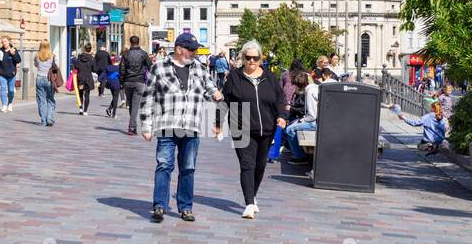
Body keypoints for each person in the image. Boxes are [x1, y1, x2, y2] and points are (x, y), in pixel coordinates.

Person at [140, 32, 224, 223]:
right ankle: (159, 205)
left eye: (195, 50)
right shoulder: (159, 67)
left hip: (191, 126)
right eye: (191, 50)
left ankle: (185, 207)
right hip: (167, 125)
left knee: (188, 168)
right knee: (164, 165)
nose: (194, 53)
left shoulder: (200, 69)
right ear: (179, 49)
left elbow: (209, 88)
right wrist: (146, 125)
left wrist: (216, 94)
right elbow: (148, 98)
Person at [219, 39, 288, 218]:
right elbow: (225, 100)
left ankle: (253, 195)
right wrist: (218, 123)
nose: (251, 61)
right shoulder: (234, 77)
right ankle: (249, 203)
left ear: (260, 58)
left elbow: (280, 99)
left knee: (260, 165)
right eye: (247, 57)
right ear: (242, 58)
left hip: (266, 128)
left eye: (255, 58)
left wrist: (281, 116)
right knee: (247, 164)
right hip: (241, 127)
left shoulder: (270, 77)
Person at [284, 67, 338, 164]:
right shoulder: (314, 88)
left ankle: (299, 157)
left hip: (315, 123)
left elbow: (312, 116)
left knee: (290, 129)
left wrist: (301, 121)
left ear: (300, 86)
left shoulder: (310, 92)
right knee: (293, 125)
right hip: (323, 121)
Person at [119, 35, 152, 136]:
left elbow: (122, 69)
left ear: (130, 42)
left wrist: (121, 81)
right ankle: (132, 127)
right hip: (139, 81)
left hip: (128, 81)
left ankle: (133, 126)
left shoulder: (126, 54)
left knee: (132, 105)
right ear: (139, 42)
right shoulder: (143, 54)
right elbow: (150, 66)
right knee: (134, 106)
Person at [33, 41, 59, 127]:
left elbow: (36, 65)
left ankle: (43, 120)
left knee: (41, 100)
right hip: (49, 79)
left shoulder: (37, 56)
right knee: (50, 99)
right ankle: (49, 117)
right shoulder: (52, 56)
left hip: (39, 78)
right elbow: (56, 67)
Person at [0, 38, 21, 112]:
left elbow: (18, 60)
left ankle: (10, 103)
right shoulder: (0, 50)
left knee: (11, 90)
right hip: (2, 73)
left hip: (11, 73)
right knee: (3, 88)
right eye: (2, 42)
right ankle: (4, 105)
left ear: (9, 42)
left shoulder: (13, 50)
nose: (4, 43)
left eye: (5, 41)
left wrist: (13, 55)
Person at [74, 43, 96, 116]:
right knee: (87, 95)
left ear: (84, 49)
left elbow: (75, 66)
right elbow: (94, 69)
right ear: (90, 50)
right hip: (88, 78)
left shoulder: (79, 57)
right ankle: (85, 111)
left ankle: (80, 108)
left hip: (80, 78)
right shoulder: (91, 59)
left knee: (80, 93)